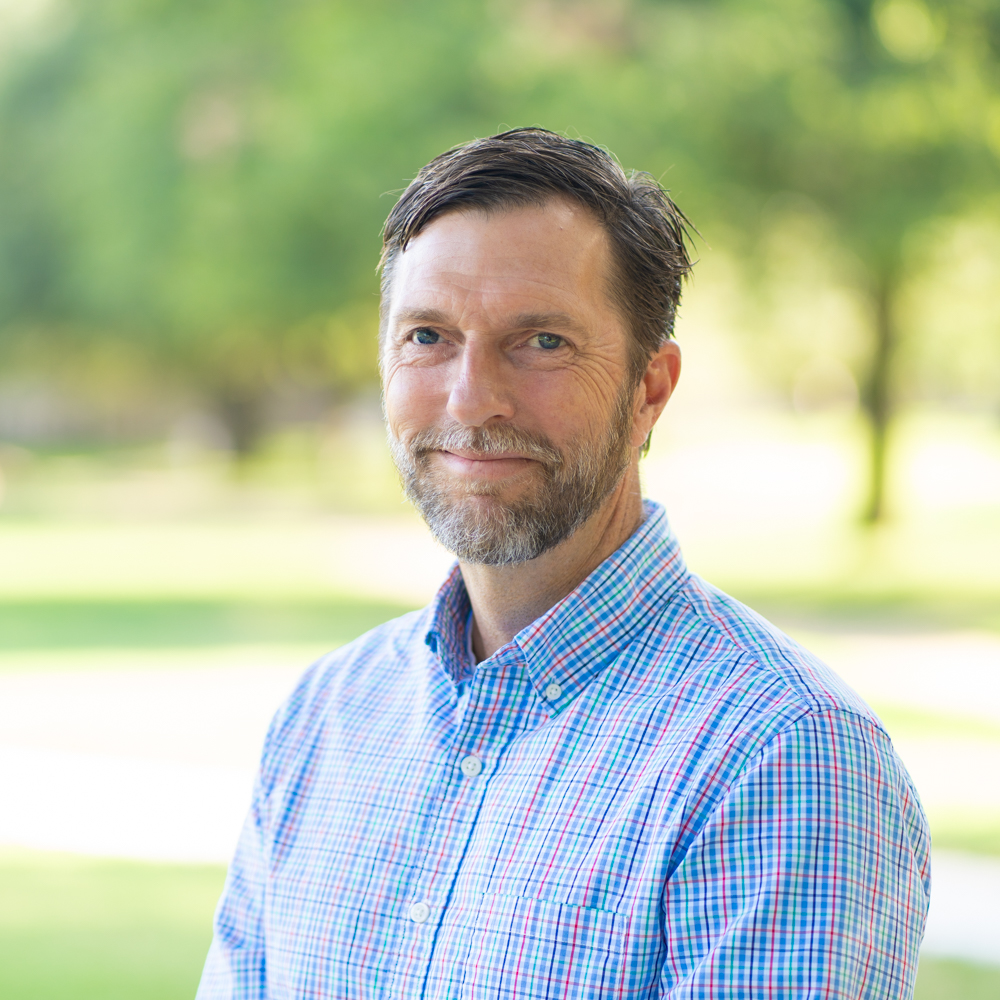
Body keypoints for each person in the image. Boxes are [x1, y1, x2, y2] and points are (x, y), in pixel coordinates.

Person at [197, 128, 930, 999]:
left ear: (649, 390)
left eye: (541, 342)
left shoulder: (782, 759)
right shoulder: (327, 718)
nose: (472, 400)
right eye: (428, 336)